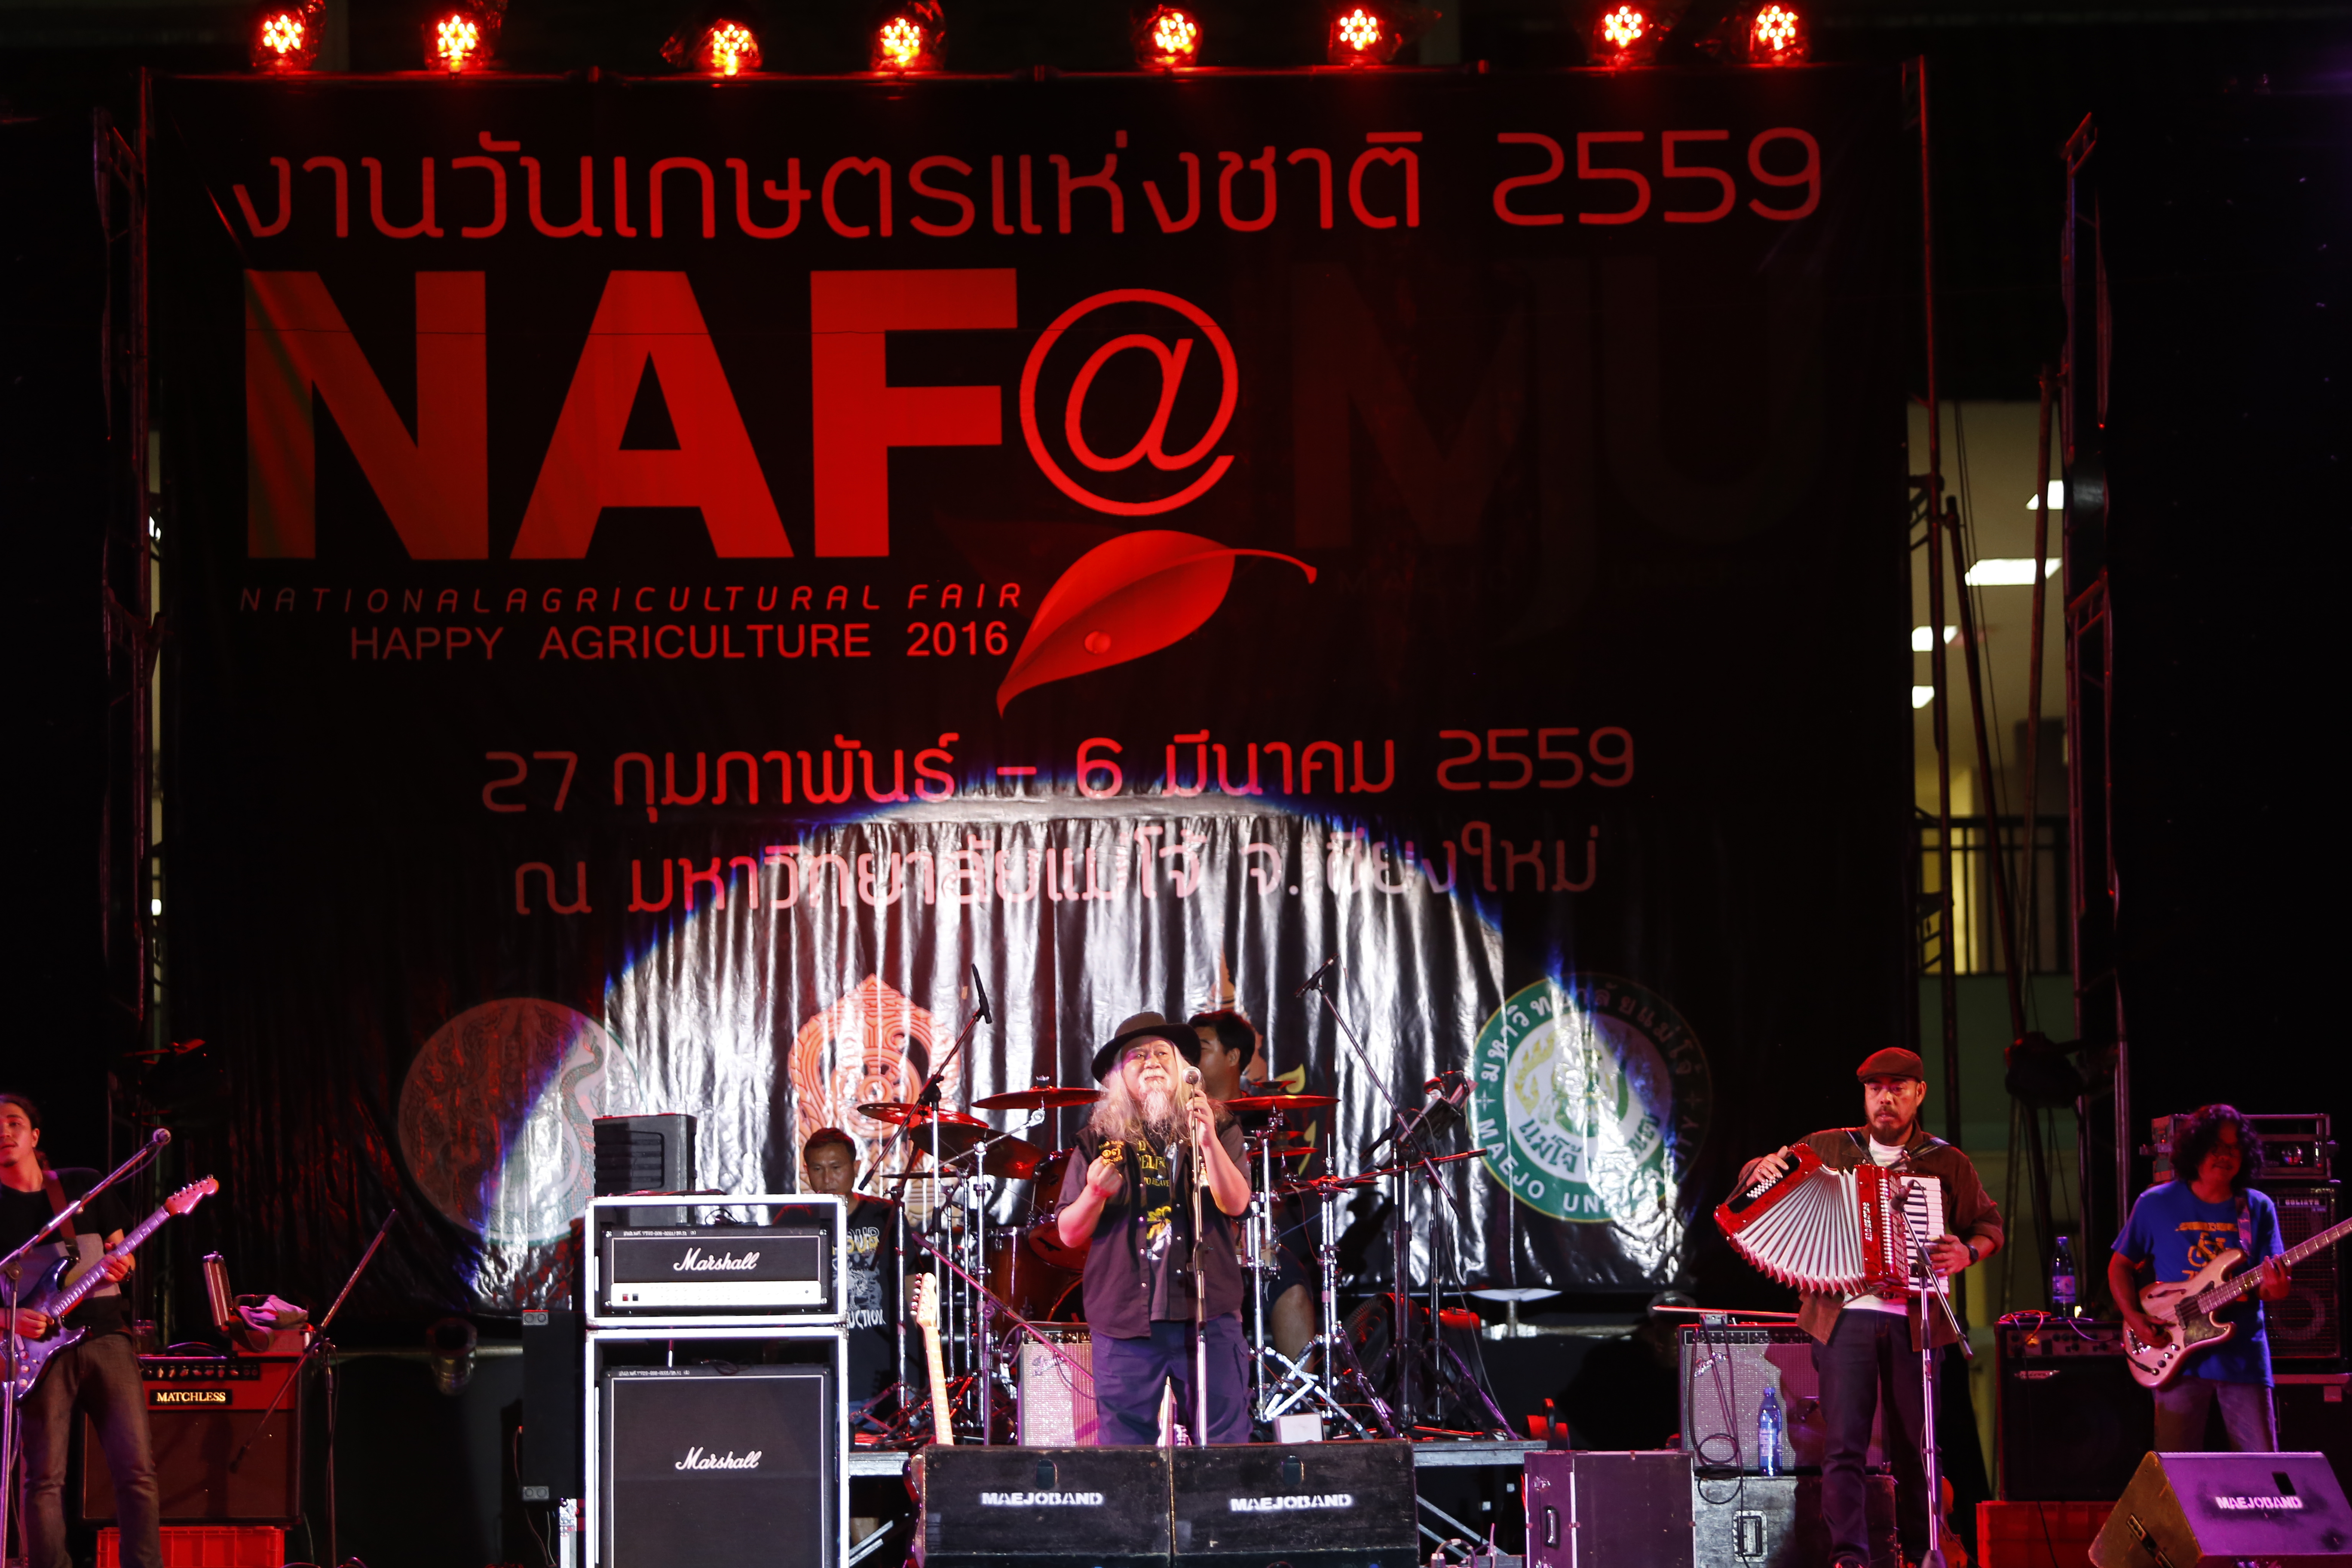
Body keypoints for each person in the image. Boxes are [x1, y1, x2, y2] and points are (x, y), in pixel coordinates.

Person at [1735, 1049, 2001, 1568]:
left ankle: (1923, 1551)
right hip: (1845, 1317)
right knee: (1844, 1446)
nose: (1885, 1098)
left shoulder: (1946, 1161)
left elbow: (1988, 1226)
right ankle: (1850, 1556)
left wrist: (1969, 1252)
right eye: (1875, 1088)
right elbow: (1759, 1183)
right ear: (1865, 1095)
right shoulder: (1828, 1147)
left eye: (1897, 1088)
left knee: (1919, 1447)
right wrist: (1755, 1166)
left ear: (1919, 1094)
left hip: (1916, 1321)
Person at [1057, 1013, 1254, 1445]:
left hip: (1207, 1315)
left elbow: (1237, 1204)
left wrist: (1208, 1142)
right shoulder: (1097, 1139)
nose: (1151, 1062)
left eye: (1162, 1053)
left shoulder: (1219, 1126)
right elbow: (1069, 1233)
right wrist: (1094, 1193)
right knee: (1125, 1454)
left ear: (1183, 1068)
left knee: (1223, 1445)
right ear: (1118, 1076)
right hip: (1125, 1320)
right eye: (1137, 1056)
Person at [0, 1093, 161, 1568]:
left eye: (13, 1122)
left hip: (106, 1337)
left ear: (34, 1136)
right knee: (44, 1480)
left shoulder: (83, 1186)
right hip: (38, 1354)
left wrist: (124, 1266)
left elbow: (121, 1252)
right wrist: (9, 1318)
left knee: (137, 1471)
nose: (3, 1132)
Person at [2107, 1103, 2291, 1451]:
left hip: (2244, 1358)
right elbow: (2119, 1266)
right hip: (2177, 1356)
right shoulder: (2155, 1203)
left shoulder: (2257, 1207)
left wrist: (2277, 1289)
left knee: (2264, 1468)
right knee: (2176, 1470)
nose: (2225, 1156)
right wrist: (2134, 1317)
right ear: (2196, 1150)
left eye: (2234, 1148)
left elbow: (2268, 1288)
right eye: (2216, 1148)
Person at [1190, 1006, 1322, 1361]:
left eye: (1202, 1047)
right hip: (1191, 1239)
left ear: (1233, 1057)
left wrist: (1247, 1232)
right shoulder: (1177, 1114)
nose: (1191, 1056)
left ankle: (1300, 1392)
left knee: (1291, 1286)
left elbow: (1277, 1195)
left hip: (1249, 1238)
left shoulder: (1265, 1117)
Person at [800, 1127, 912, 1421]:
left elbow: (911, 1283)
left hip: (889, 1373)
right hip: (827, 1371)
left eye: (836, 1168)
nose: (828, 1179)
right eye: (818, 1169)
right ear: (807, 1172)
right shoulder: (795, 1219)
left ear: (856, 1167)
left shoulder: (886, 1215)